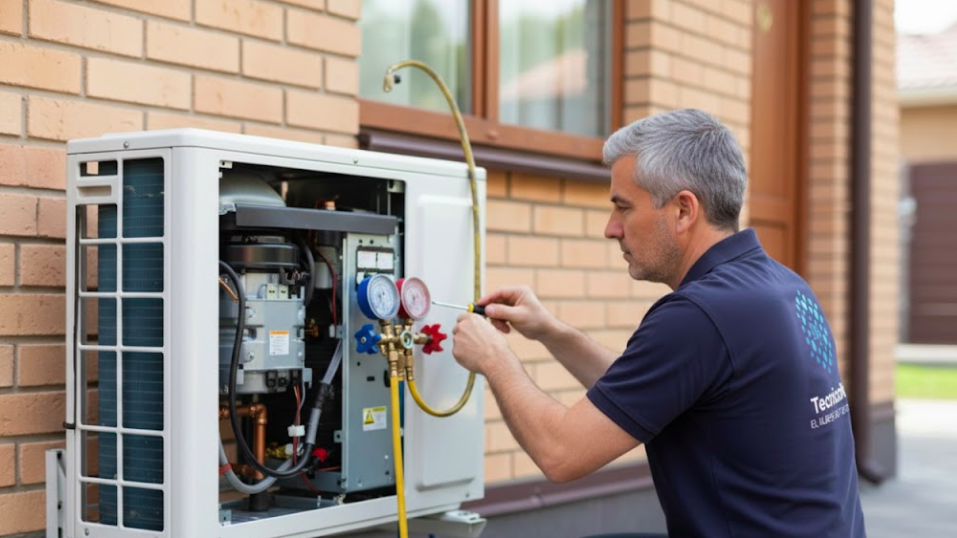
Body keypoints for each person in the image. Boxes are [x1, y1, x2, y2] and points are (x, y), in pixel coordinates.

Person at [451, 109, 866, 538]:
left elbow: (560, 453)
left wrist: (494, 358)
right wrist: (550, 332)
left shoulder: (700, 316)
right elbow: (654, 389)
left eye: (623, 208)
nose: (611, 229)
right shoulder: (781, 286)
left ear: (684, 210)